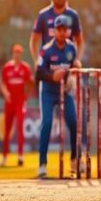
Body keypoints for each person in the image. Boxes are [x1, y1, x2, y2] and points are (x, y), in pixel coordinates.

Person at [35, 14, 81, 178]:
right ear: (54, 31)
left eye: (64, 29)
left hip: (65, 91)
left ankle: (75, 160)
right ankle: (42, 164)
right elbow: (38, 73)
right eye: (59, 29)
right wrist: (51, 76)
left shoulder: (71, 48)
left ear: (68, 31)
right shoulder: (46, 50)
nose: (62, 32)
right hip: (48, 91)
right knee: (46, 123)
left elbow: (73, 64)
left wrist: (75, 69)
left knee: (74, 122)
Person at [30, 0, 83, 69]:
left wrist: (77, 59)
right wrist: (37, 60)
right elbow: (34, 40)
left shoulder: (73, 15)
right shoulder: (43, 15)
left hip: (67, 64)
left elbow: (80, 41)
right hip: (48, 65)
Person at [0, 43, 33, 167]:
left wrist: (26, 96)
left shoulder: (25, 68)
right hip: (9, 102)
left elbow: (31, 83)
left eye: (19, 53)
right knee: (7, 130)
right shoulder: (7, 67)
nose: (17, 55)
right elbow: (2, 83)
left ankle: (20, 156)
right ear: (12, 54)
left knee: (20, 128)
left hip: (20, 102)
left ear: (21, 54)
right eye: (15, 52)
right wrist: (5, 93)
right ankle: (4, 156)